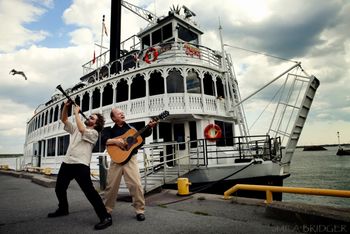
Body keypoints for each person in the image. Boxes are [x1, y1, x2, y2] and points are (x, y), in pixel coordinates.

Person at [47, 100, 112, 230]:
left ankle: (105, 217)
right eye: (89, 116)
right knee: (59, 188)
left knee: (90, 192)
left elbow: (82, 129)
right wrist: (66, 106)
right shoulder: (77, 127)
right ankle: (63, 209)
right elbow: (64, 119)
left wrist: (76, 113)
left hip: (81, 165)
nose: (88, 117)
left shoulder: (94, 133)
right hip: (67, 162)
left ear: (96, 123)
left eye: (92, 118)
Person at [102, 108, 157, 221]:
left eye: (122, 112)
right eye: (119, 113)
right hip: (116, 161)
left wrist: (150, 127)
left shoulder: (131, 129)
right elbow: (104, 140)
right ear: (113, 118)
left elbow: (143, 135)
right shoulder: (110, 130)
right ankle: (107, 210)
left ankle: (139, 210)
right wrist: (116, 141)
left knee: (136, 185)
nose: (122, 113)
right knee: (111, 187)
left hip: (130, 159)